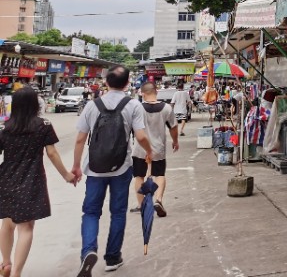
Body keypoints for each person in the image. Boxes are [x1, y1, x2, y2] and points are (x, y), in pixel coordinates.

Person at [72, 65, 152, 276]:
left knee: (90, 212)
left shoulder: (92, 105)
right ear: (127, 84)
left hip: (95, 169)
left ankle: (88, 251)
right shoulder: (133, 104)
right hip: (121, 168)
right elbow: (141, 136)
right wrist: (149, 152)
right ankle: (112, 257)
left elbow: (80, 138)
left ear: (105, 81)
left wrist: (76, 166)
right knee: (117, 212)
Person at [0, 86, 77, 277]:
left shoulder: (5, 128)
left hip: (6, 179)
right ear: (35, 104)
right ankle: (17, 272)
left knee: (7, 223)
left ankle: (6, 263)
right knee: (26, 227)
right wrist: (67, 175)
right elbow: (51, 153)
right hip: (31, 179)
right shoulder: (43, 125)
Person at [130, 83, 178, 217]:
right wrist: (175, 141)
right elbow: (173, 127)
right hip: (158, 148)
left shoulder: (137, 108)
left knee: (139, 176)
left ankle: (141, 205)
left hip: (140, 148)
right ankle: (158, 200)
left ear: (142, 94)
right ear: (156, 92)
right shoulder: (167, 108)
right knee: (159, 174)